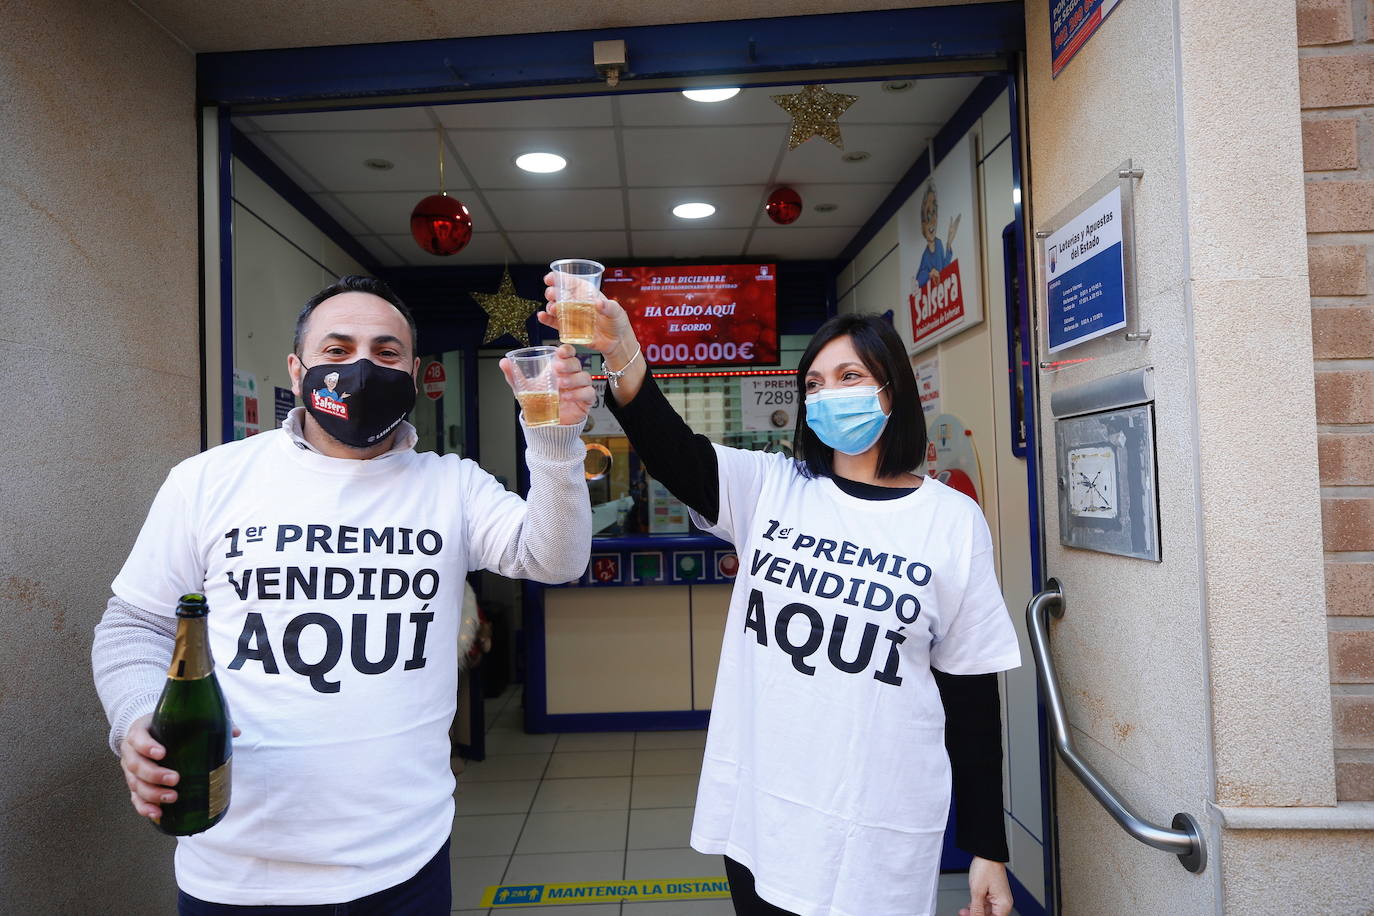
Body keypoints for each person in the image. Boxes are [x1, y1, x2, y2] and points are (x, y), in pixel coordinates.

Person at [92, 275, 594, 913]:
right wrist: (138, 718)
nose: (361, 367)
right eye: (337, 350)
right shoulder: (209, 481)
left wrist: (554, 435)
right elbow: (133, 627)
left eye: (386, 353)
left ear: (414, 372)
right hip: (235, 870)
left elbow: (554, 558)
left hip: (403, 862)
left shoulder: (452, 486)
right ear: (298, 370)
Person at [540, 282, 1020, 916]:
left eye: (850, 375)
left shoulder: (952, 521)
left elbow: (972, 692)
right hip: (763, 813)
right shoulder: (774, 487)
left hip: (876, 824)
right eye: (814, 384)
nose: (828, 394)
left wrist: (988, 845)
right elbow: (673, 451)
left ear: (892, 390)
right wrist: (622, 349)